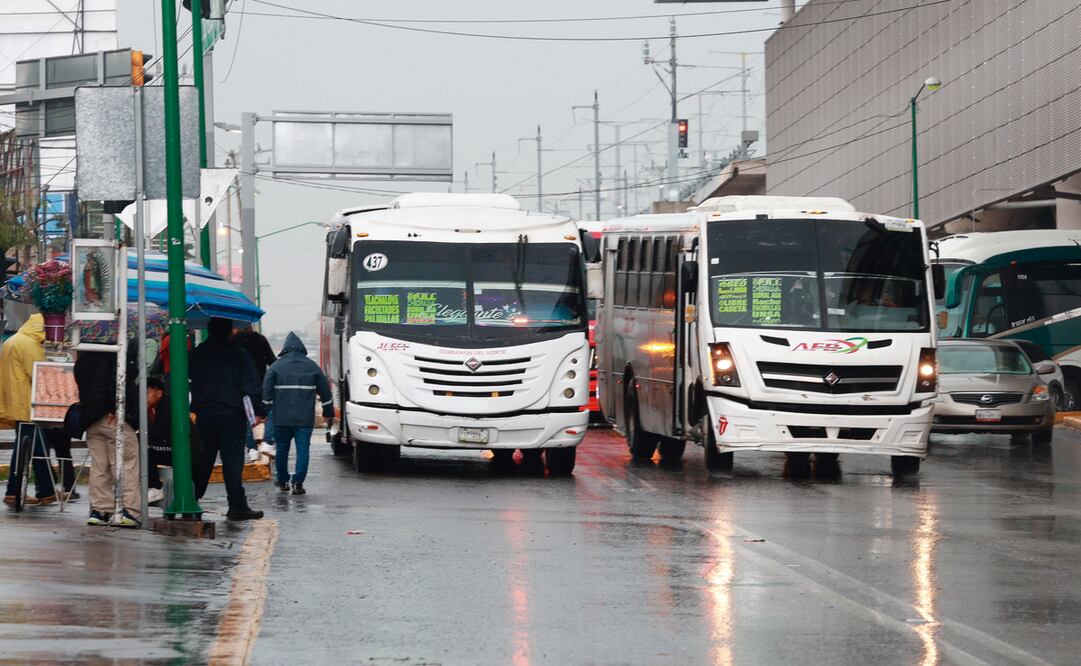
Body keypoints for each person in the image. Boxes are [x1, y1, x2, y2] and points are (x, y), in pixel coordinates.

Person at [189, 317, 264, 520]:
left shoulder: (197, 353)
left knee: (202, 460)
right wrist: (259, 410)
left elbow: (187, 377)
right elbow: (252, 385)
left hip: (204, 415)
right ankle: (237, 506)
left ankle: (191, 501)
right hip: (232, 414)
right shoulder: (239, 354)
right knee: (232, 462)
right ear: (229, 331)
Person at [73, 349, 141, 527]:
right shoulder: (117, 355)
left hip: (91, 420)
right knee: (126, 463)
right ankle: (128, 511)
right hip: (114, 417)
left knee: (99, 466)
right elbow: (119, 381)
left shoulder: (83, 360)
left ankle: (100, 510)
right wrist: (114, 408)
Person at [263, 332, 334, 495]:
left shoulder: (275, 367)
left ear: (285, 349)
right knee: (303, 450)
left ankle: (282, 481)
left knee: (282, 450)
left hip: (281, 418)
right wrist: (328, 411)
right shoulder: (312, 367)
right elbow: (325, 392)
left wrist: (264, 412)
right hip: (304, 419)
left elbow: (266, 393)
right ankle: (298, 483)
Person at [1, 315, 58, 506]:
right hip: (28, 404)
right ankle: (18, 490)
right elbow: (40, 373)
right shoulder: (28, 344)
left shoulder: (13, 340)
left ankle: (45, 489)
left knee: (31, 446)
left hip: (15, 401)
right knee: (30, 447)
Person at [234, 324, 277, 461]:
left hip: (240, 385)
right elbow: (272, 361)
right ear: (251, 325)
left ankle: (252, 449)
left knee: (246, 416)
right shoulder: (260, 339)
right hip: (261, 383)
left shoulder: (233, 341)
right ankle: (267, 441)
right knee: (269, 411)